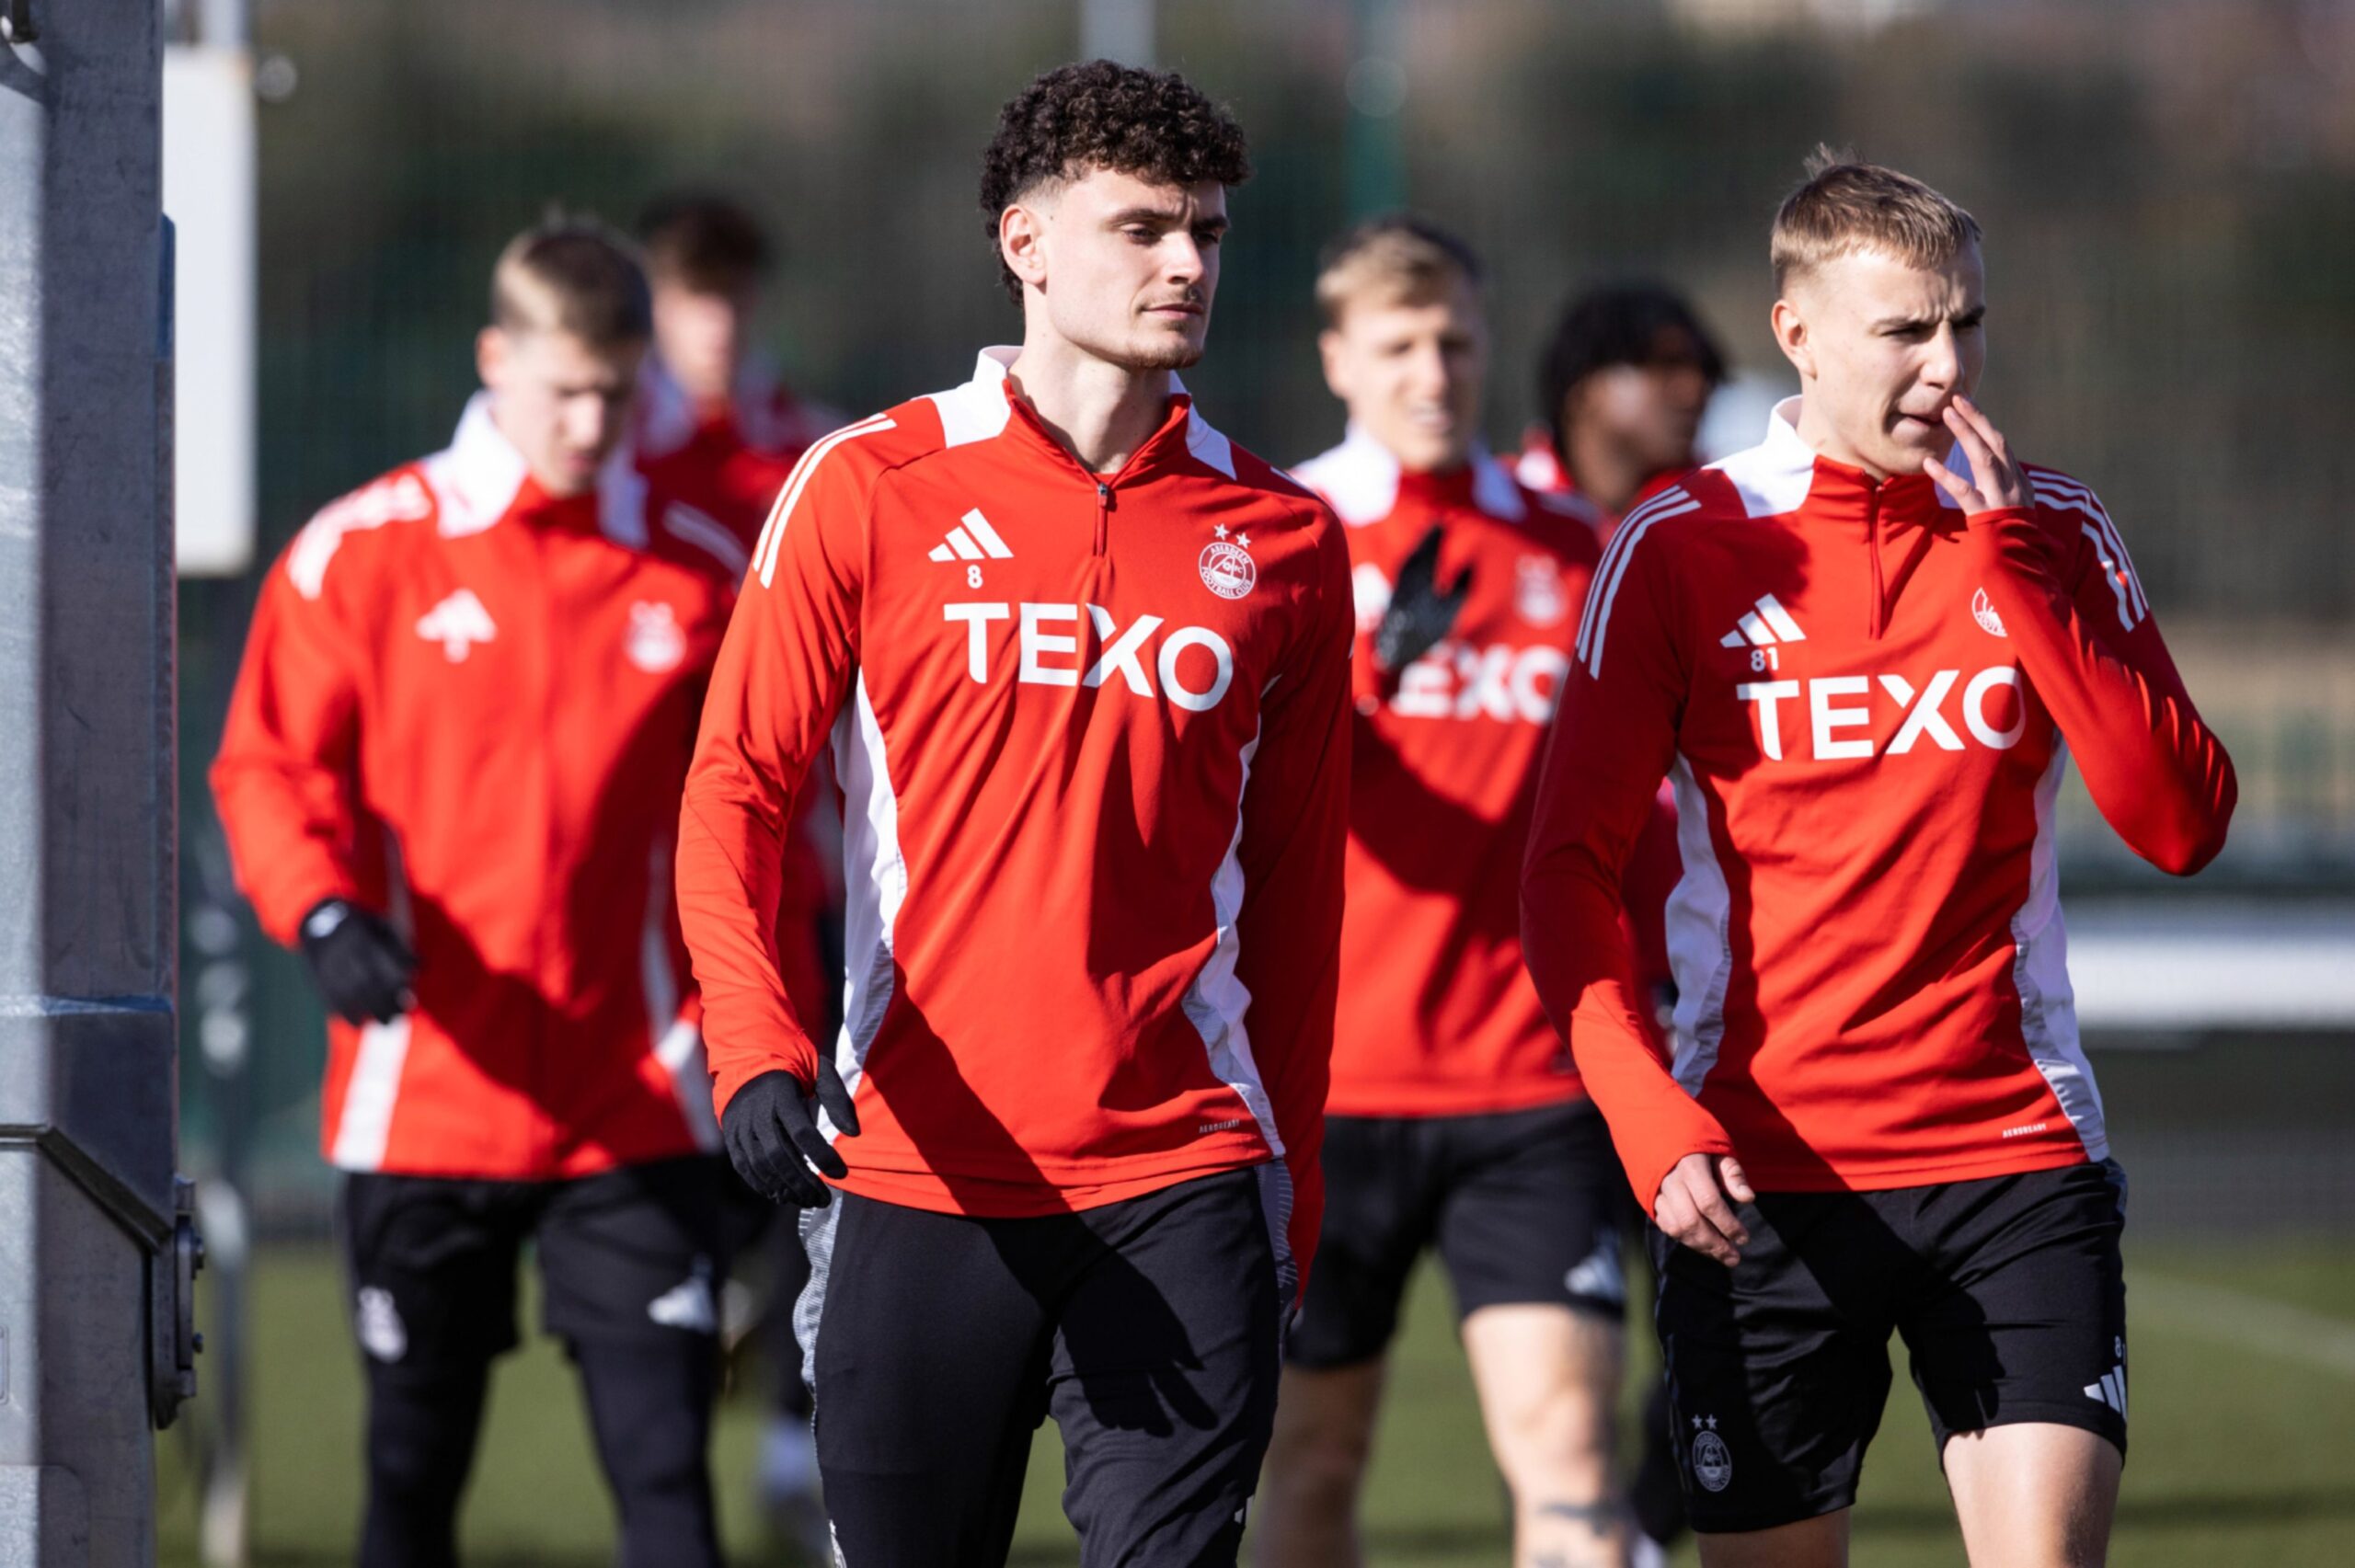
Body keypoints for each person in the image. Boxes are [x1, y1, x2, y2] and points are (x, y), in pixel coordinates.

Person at [675, 60, 1353, 1566]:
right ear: (1025, 241)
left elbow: (1301, 896)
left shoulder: (1291, 542)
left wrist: (1286, 1191)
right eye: (1144, 228)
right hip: (917, 1168)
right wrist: (754, 1049)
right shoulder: (867, 485)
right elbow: (735, 789)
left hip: (1186, 1173)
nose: (1188, 264)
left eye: (1211, 234)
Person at [1521, 150, 2237, 1568]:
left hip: (2016, 1155)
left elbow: (2179, 824)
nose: (1947, 365)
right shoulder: (1683, 544)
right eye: (1905, 330)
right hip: (1763, 1176)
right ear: (1796, 331)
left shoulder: (2055, 525)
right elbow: (1564, 876)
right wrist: (1645, 1117)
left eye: (1966, 323)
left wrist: (2013, 563)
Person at [211, 218, 743, 1568]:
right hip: (422, 1098)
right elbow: (268, 771)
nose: (586, 420)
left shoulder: (697, 574)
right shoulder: (364, 553)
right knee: (410, 1481)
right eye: (561, 385)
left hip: (635, 1094)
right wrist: (320, 912)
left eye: (615, 392)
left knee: (670, 1481)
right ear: (494, 357)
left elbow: (765, 809)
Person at [1257, 215, 1637, 1568]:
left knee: (1575, 1463)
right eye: (1400, 343)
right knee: (1310, 1464)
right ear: (1337, 359)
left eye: (1458, 341)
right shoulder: (1274, 536)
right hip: (1321, 1093)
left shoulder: (1577, 546)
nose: (1434, 370)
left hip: (1530, 1090)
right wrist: (1359, 693)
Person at [633, 187, 843, 1554]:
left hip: (797, 878)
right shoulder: (615, 460)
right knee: (674, 1180)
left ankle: (790, 1418)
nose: (715, 321)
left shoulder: (810, 457)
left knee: (807, 1147)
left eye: (732, 293)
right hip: (637, 891)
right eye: (689, 293)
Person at [634, 189, 843, 551]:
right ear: (653, 299)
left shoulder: (816, 446)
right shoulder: (608, 442)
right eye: (696, 296)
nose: (722, 324)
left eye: (735, 295)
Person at [1522, 283, 1728, 529]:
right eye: (1666, 366)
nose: (1694, 392)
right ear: (1583, 389)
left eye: (1706, 373)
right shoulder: (1500, 520)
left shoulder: (1724, 516)